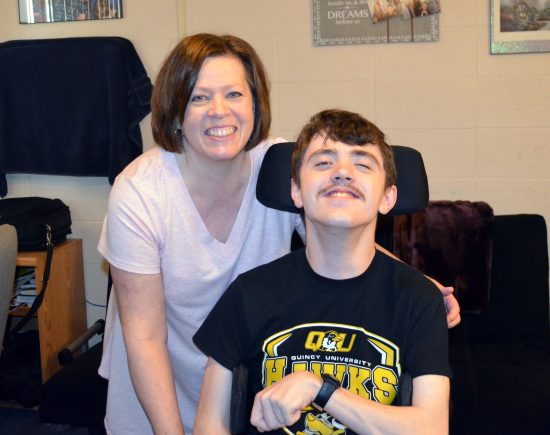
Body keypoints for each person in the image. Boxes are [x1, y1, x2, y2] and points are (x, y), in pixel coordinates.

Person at [98, 33, 459, 434]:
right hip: (159, 380)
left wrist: (421, 287)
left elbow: (342, 233)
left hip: (252, 377)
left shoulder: (275, 164)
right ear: (176, 108)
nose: (219, 111)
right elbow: (145, 337)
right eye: (199, 97)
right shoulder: (141, 191)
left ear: (255, 102)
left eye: (234, 94)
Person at [193, 109, 452, 434]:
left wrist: (320, 389)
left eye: (362, 163)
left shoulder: (416, 299)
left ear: (388, 197)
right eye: (323, 162)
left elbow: (431, 428)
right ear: (296, 191)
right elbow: (209, 425)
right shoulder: (248, 294)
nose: (342, 173)